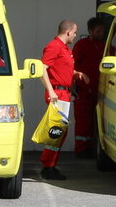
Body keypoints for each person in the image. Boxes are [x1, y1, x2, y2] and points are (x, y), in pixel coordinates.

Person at [39, 19, 82, 180]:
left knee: (60, 131)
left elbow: (61, 69)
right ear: (68, 32)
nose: (76, 35)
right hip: (57, 94)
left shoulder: (63, 48)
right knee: (56, 131)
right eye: (75, 32)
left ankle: (50, 165)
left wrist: (75, 74)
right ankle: (47, 166)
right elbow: (42, 69)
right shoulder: (54, 46)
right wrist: (51, 91)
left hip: (63, 93)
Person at [70, 17, 106, 159]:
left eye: (102, 31)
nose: (101, 33)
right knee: (82, 120)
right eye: (98, 31)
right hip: (83, 89)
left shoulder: (107, 46)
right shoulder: (81, 45)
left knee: (94, 120)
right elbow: (72, 66)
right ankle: (80, 149)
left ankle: (90, 147)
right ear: (90, 31)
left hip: (100, 89)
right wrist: (72, 85)